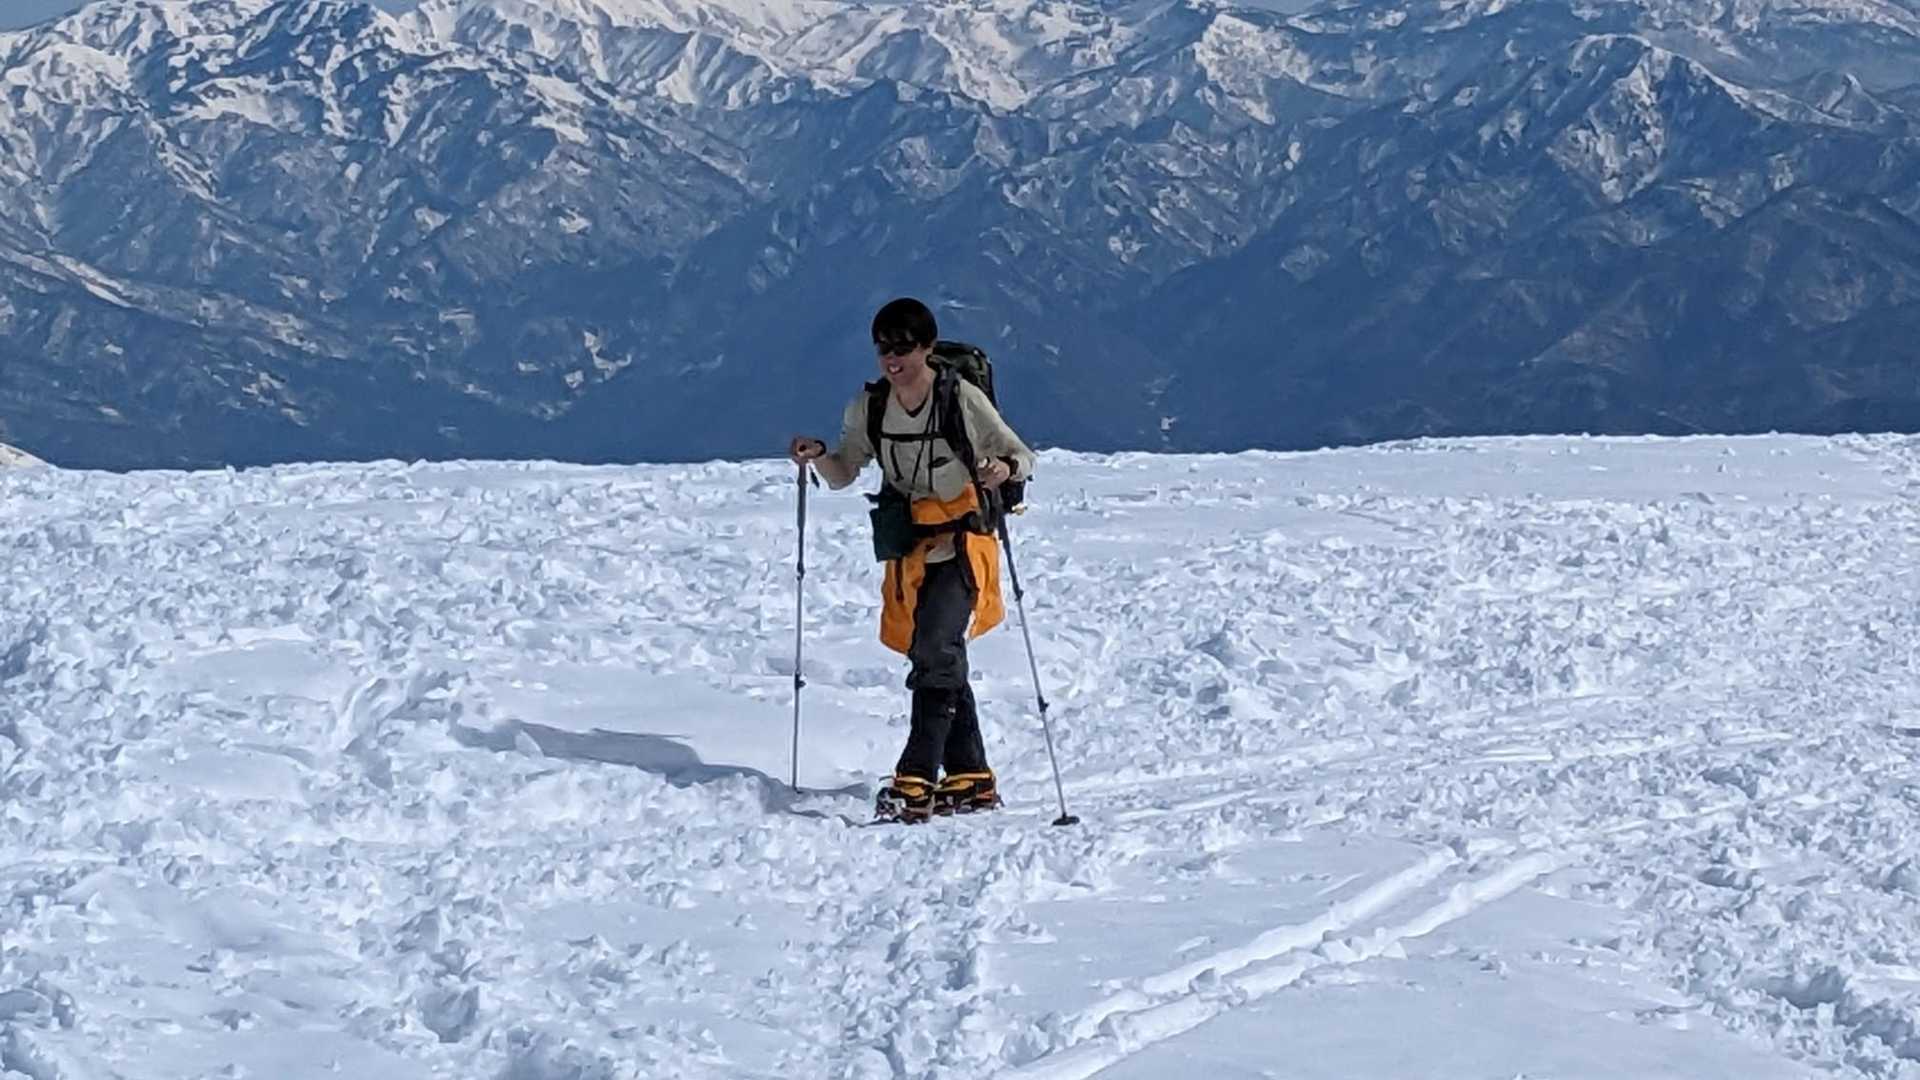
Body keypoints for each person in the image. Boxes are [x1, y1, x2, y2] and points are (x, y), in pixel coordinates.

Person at [789, 298, 1036, 823]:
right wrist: (819, 457)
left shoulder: (959, 398)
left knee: (934, 648)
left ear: (927, 348)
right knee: (933, 652)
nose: (892, 358)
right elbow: (846, 471)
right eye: (884, 347)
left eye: (902, 348)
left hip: (965, 540)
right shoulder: (871, 407)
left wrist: (1001, 469)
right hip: (912, 548)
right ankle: (971, 776)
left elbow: (1020, 455)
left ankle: (915, 778)